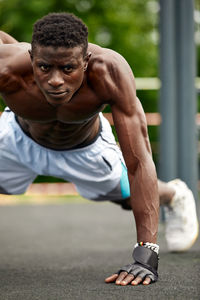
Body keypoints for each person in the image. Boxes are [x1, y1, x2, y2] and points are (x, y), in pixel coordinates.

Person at [0, 12, 198, 286]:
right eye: (44, 67)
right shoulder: (7, 69)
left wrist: (146, 255)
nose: (56, 80)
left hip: (86, 150)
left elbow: (139, 163)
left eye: (68, 68)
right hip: (16, 140)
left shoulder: (109, 72)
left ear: (85, 62)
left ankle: (175, 194)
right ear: (32, 57)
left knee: (129, 194)